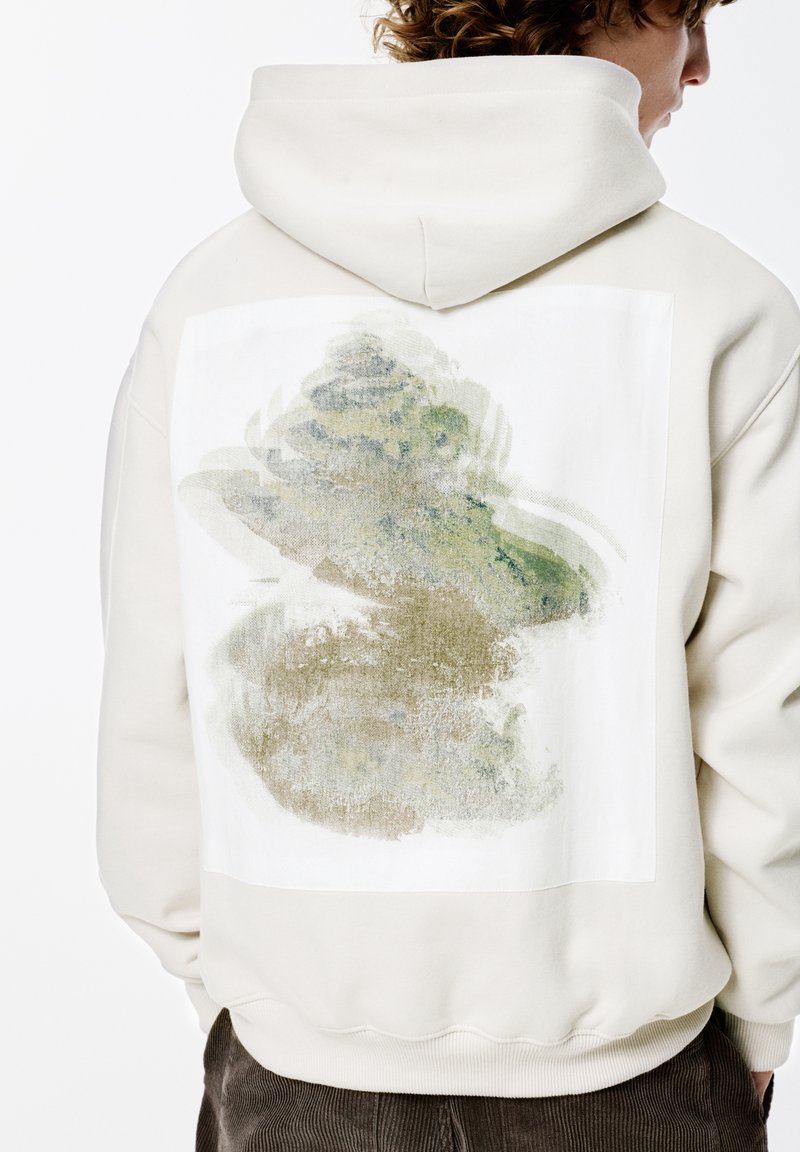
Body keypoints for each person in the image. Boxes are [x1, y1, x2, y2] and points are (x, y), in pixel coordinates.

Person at [96, 0, 799, 1148]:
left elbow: (154, 695)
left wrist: (233, 987)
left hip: (292, 1074)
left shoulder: (209, 301)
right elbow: (760, 726)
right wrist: (762, 1010)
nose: (700, 67)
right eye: (686, 13)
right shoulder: (722, 306)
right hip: (636, 1083)